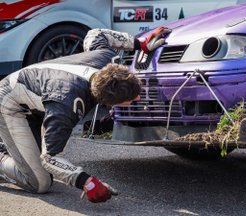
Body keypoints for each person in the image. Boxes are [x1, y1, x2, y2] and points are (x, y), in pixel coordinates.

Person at [0, 26, 171, 203]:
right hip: (11, 104)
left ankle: (12, 149)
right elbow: (50, 158)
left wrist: (139, 43)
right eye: (131, 98)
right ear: (110, 102)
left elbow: (95, 34)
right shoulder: (67, 105)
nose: (137, 96)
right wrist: (86, 182)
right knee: (39, 182)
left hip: (38, 96)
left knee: (37, 167)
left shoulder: (105, 58)